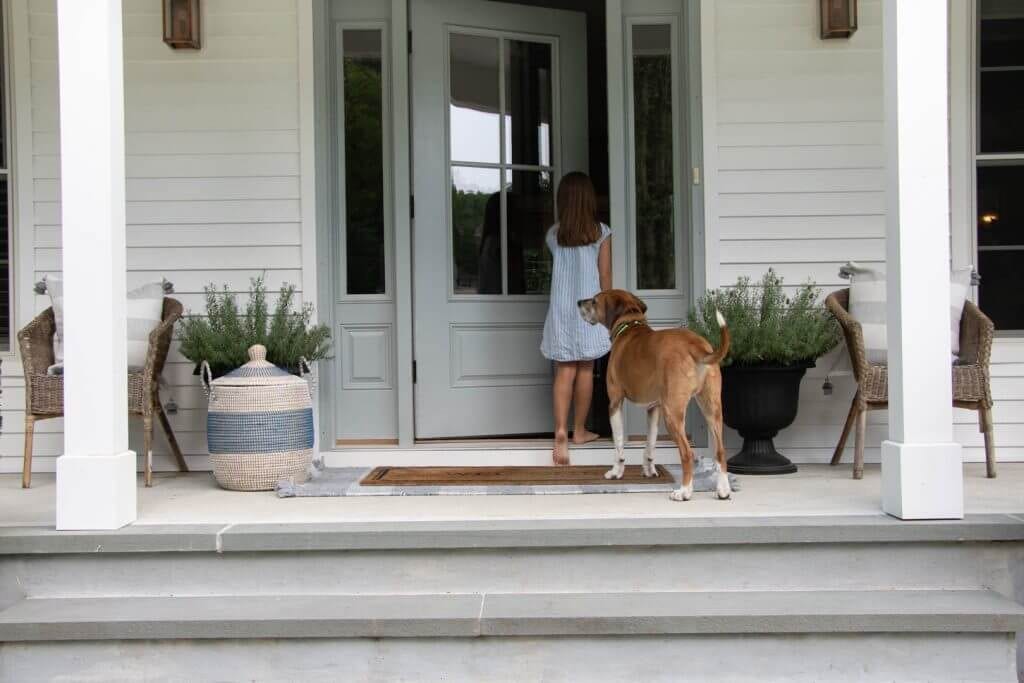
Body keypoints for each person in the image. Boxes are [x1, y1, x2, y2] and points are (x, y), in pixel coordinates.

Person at [540, 172, 612, 465]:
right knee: (585, 368)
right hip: (588, 307)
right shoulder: (601, 232)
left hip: (562, 307)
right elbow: (605, 275)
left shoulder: (555, 235)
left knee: (564, 369)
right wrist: (608, 311)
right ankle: (579, 431)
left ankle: (560, 430)